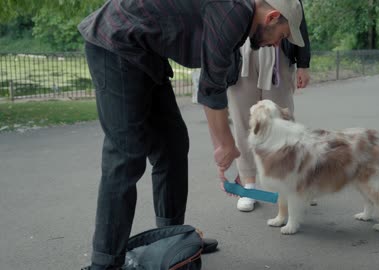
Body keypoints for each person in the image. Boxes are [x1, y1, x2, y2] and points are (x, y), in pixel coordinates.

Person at [77, 0, 306, 269]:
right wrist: (225, 146)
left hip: (146, 53)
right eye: (281, 36)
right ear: (272, 17)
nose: (277, 45)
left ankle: (172, 241)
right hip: (116, 44)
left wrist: (224, 146)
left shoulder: (240, 20)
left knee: (173, 146)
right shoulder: (234, 11)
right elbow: (210, 88)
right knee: (126, 155)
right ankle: (104, 263)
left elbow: (218, 77)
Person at [227, 2, 310, 212]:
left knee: (282, 121)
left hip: (279, 53)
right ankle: (249, 186)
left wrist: (304, 64)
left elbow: (298, 21)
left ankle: (291, 182)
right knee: (243, 121)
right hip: (241, 53)